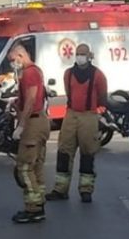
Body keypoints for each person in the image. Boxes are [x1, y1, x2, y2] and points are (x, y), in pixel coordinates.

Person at [46, 44, 108, 203]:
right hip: (71, 114)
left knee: (87, 153)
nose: (79, 57)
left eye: (83, 54)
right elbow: (69, 92)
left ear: (89, 56)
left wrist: (97, 112)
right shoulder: (68, 74)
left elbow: (102, 96)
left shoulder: (98, 75)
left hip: (89, 115)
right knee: (64, 151)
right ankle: (60, 189)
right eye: (78, 54)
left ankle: (86, 190)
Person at [7, 43, 51, 224]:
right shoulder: (33, 72)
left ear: (20, 55)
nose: (12, 64)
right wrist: (16, 101)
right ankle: (38, 203)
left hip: (33, 123)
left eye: (12, 60)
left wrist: (21, 126)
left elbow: (32, 99)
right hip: (39, 121)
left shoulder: (30, 73)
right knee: (36, 166)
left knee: (24, 167)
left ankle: (33, 208)